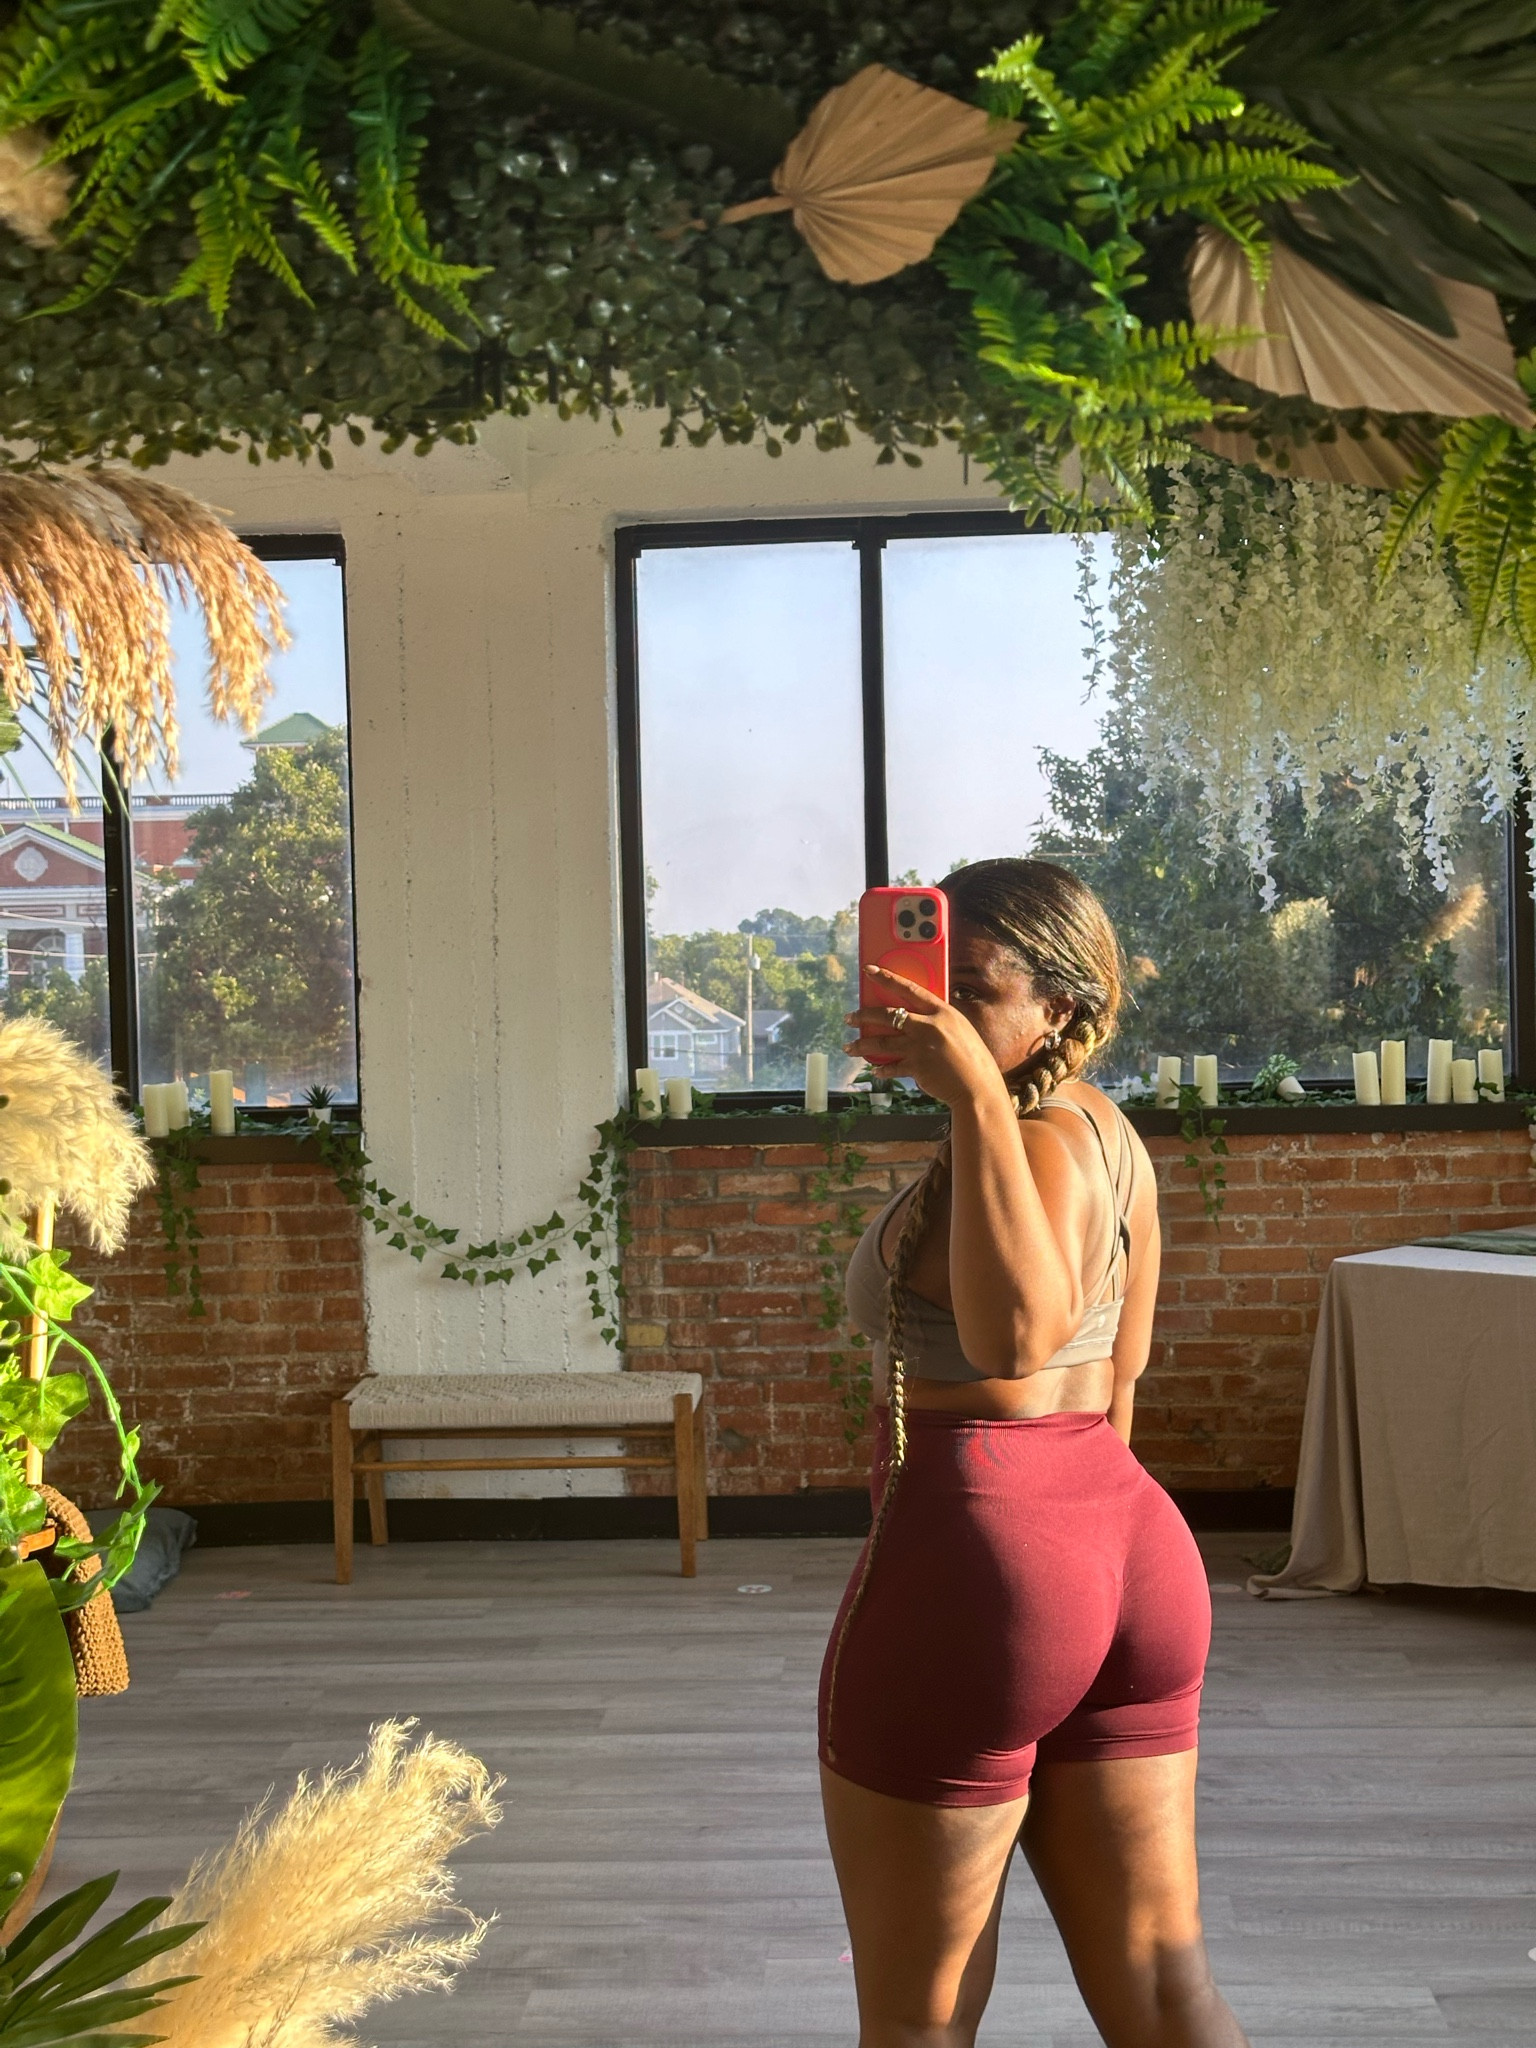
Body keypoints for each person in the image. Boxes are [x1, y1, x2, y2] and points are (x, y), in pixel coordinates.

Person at [820, 858, 1247, 2048]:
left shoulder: (1027, 1137)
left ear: (1059, 1004)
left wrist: (969, 1093)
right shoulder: (1108, 1131)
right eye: (928, 981)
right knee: (1166, 1991)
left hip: (980, 1566)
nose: (942, 1011)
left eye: (975, 989)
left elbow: (1019, 1337)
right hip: (1124, 1550)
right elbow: (1123, 1374)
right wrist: (1081, 1557)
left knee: (917, 2019)